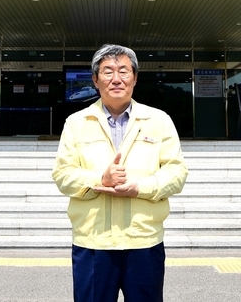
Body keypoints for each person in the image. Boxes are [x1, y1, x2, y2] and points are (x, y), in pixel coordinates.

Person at [52, 44, 188, 302]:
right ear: (95, 80)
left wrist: (139, 188)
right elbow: (63, 174)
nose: (116, 79)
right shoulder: (76, 123)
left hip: (143, 241)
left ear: (135, 78)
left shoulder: (158, 120)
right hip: (93, 243)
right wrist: (99, 180)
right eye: (108, 72)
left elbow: (177, 172)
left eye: (124, 71)